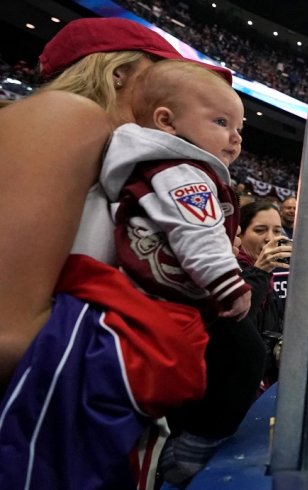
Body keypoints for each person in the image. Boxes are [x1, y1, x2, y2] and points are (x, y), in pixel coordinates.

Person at [0, 17, 231, 489]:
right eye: (164, 77)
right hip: (43, 427)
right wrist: (140, 364)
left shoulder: (130, 163)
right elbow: (7, 331)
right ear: (121, 73)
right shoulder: (68, 113)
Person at [102, 59, 251, 321]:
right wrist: (228, 281)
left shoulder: (159, 167)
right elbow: (196, 226)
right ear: (166, 121)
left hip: (140, 299)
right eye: (221, 122)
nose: (236, 137)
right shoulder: (182, 170)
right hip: (158, 308)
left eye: (238, 128)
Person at [235, 199, 294, 386]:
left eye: (277, 231)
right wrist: (259, 272)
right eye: (260, 230)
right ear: (240, 234)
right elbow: (236, 326)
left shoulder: (277, 271)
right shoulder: (228, 272)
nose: (270, 238)